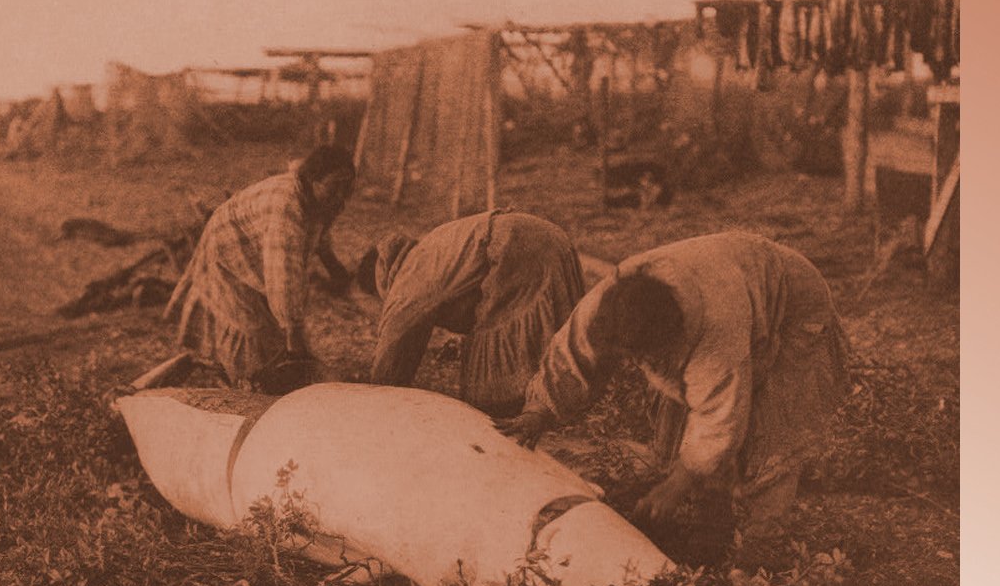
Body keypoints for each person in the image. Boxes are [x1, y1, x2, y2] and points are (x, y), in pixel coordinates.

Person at [496, 231, 850, 535]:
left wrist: (676, 486)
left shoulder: (717, 329)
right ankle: (713, 510)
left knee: (770, 433)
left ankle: (765, 543)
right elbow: (573, 349)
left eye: (641, 356)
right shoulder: (614, 300)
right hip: (733, 275)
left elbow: (717, 417)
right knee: (689, 434)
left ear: (669, 339)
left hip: (793, 308)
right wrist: (539, 410)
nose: (634, 364)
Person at [161, 145, 356, 393]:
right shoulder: (286, 206)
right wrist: (294, 344)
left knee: (278, 333)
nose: (342, 196)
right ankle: (242, 380)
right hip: (228, 252)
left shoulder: (322, 200)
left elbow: (319, 235)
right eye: (335, 186)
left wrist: (336, 268)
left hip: (256, 252)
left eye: (348, 187)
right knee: (249, 328)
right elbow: (283, 275)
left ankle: (270, 369)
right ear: (313, 179)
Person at [360, 210, 586, 417]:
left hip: (515, 246)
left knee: (484, 397)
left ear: (379, 279)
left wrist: (378, 400)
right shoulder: (428, 249)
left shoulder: (408, 277)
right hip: (547, 235)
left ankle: (513, 418)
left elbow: (395, 338)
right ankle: (543, 407)